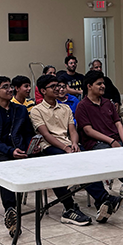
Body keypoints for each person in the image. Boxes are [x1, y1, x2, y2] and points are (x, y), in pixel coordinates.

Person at [75, 70, 123, 210]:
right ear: (89, 86)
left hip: (117, 140)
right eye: (99, 84)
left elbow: (118, 124)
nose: (103, 86)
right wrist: (112, 142)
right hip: (97, 145)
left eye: (103, 83)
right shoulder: (82, 106)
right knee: (119, 164)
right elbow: (88, 130)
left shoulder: (108, 103)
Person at [28, 74, 95, 226]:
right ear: (43, 91)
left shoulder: (65, 108)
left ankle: (103, 200)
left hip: (69, 145)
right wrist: (65, 147)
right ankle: (70, 208)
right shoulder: (37, 110)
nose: (58, 88)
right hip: (51, 147)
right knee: (56, 166)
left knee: (89, 161)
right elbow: (45, 134)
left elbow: (72, 130)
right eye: (53, 87)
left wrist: (74, 143)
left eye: (58, 85)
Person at [0, 77, 38, 236]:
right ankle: (11, 211)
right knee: (7, 168)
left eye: (10, 87)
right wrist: (9, 150)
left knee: (45, 158)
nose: (10, 90)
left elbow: (28, 133)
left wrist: (31, 146)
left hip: (20, 150)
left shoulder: (20, 110)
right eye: (5, 87)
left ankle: (65, 204)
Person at [89, 59, 123, 141]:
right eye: (96, 67)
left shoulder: (107, 80)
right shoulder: (90, 82)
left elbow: (116, 93)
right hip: (103, 107)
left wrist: (117, 102)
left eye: (100, 67)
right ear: (91, 69)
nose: (99, 69)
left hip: (114, 105)